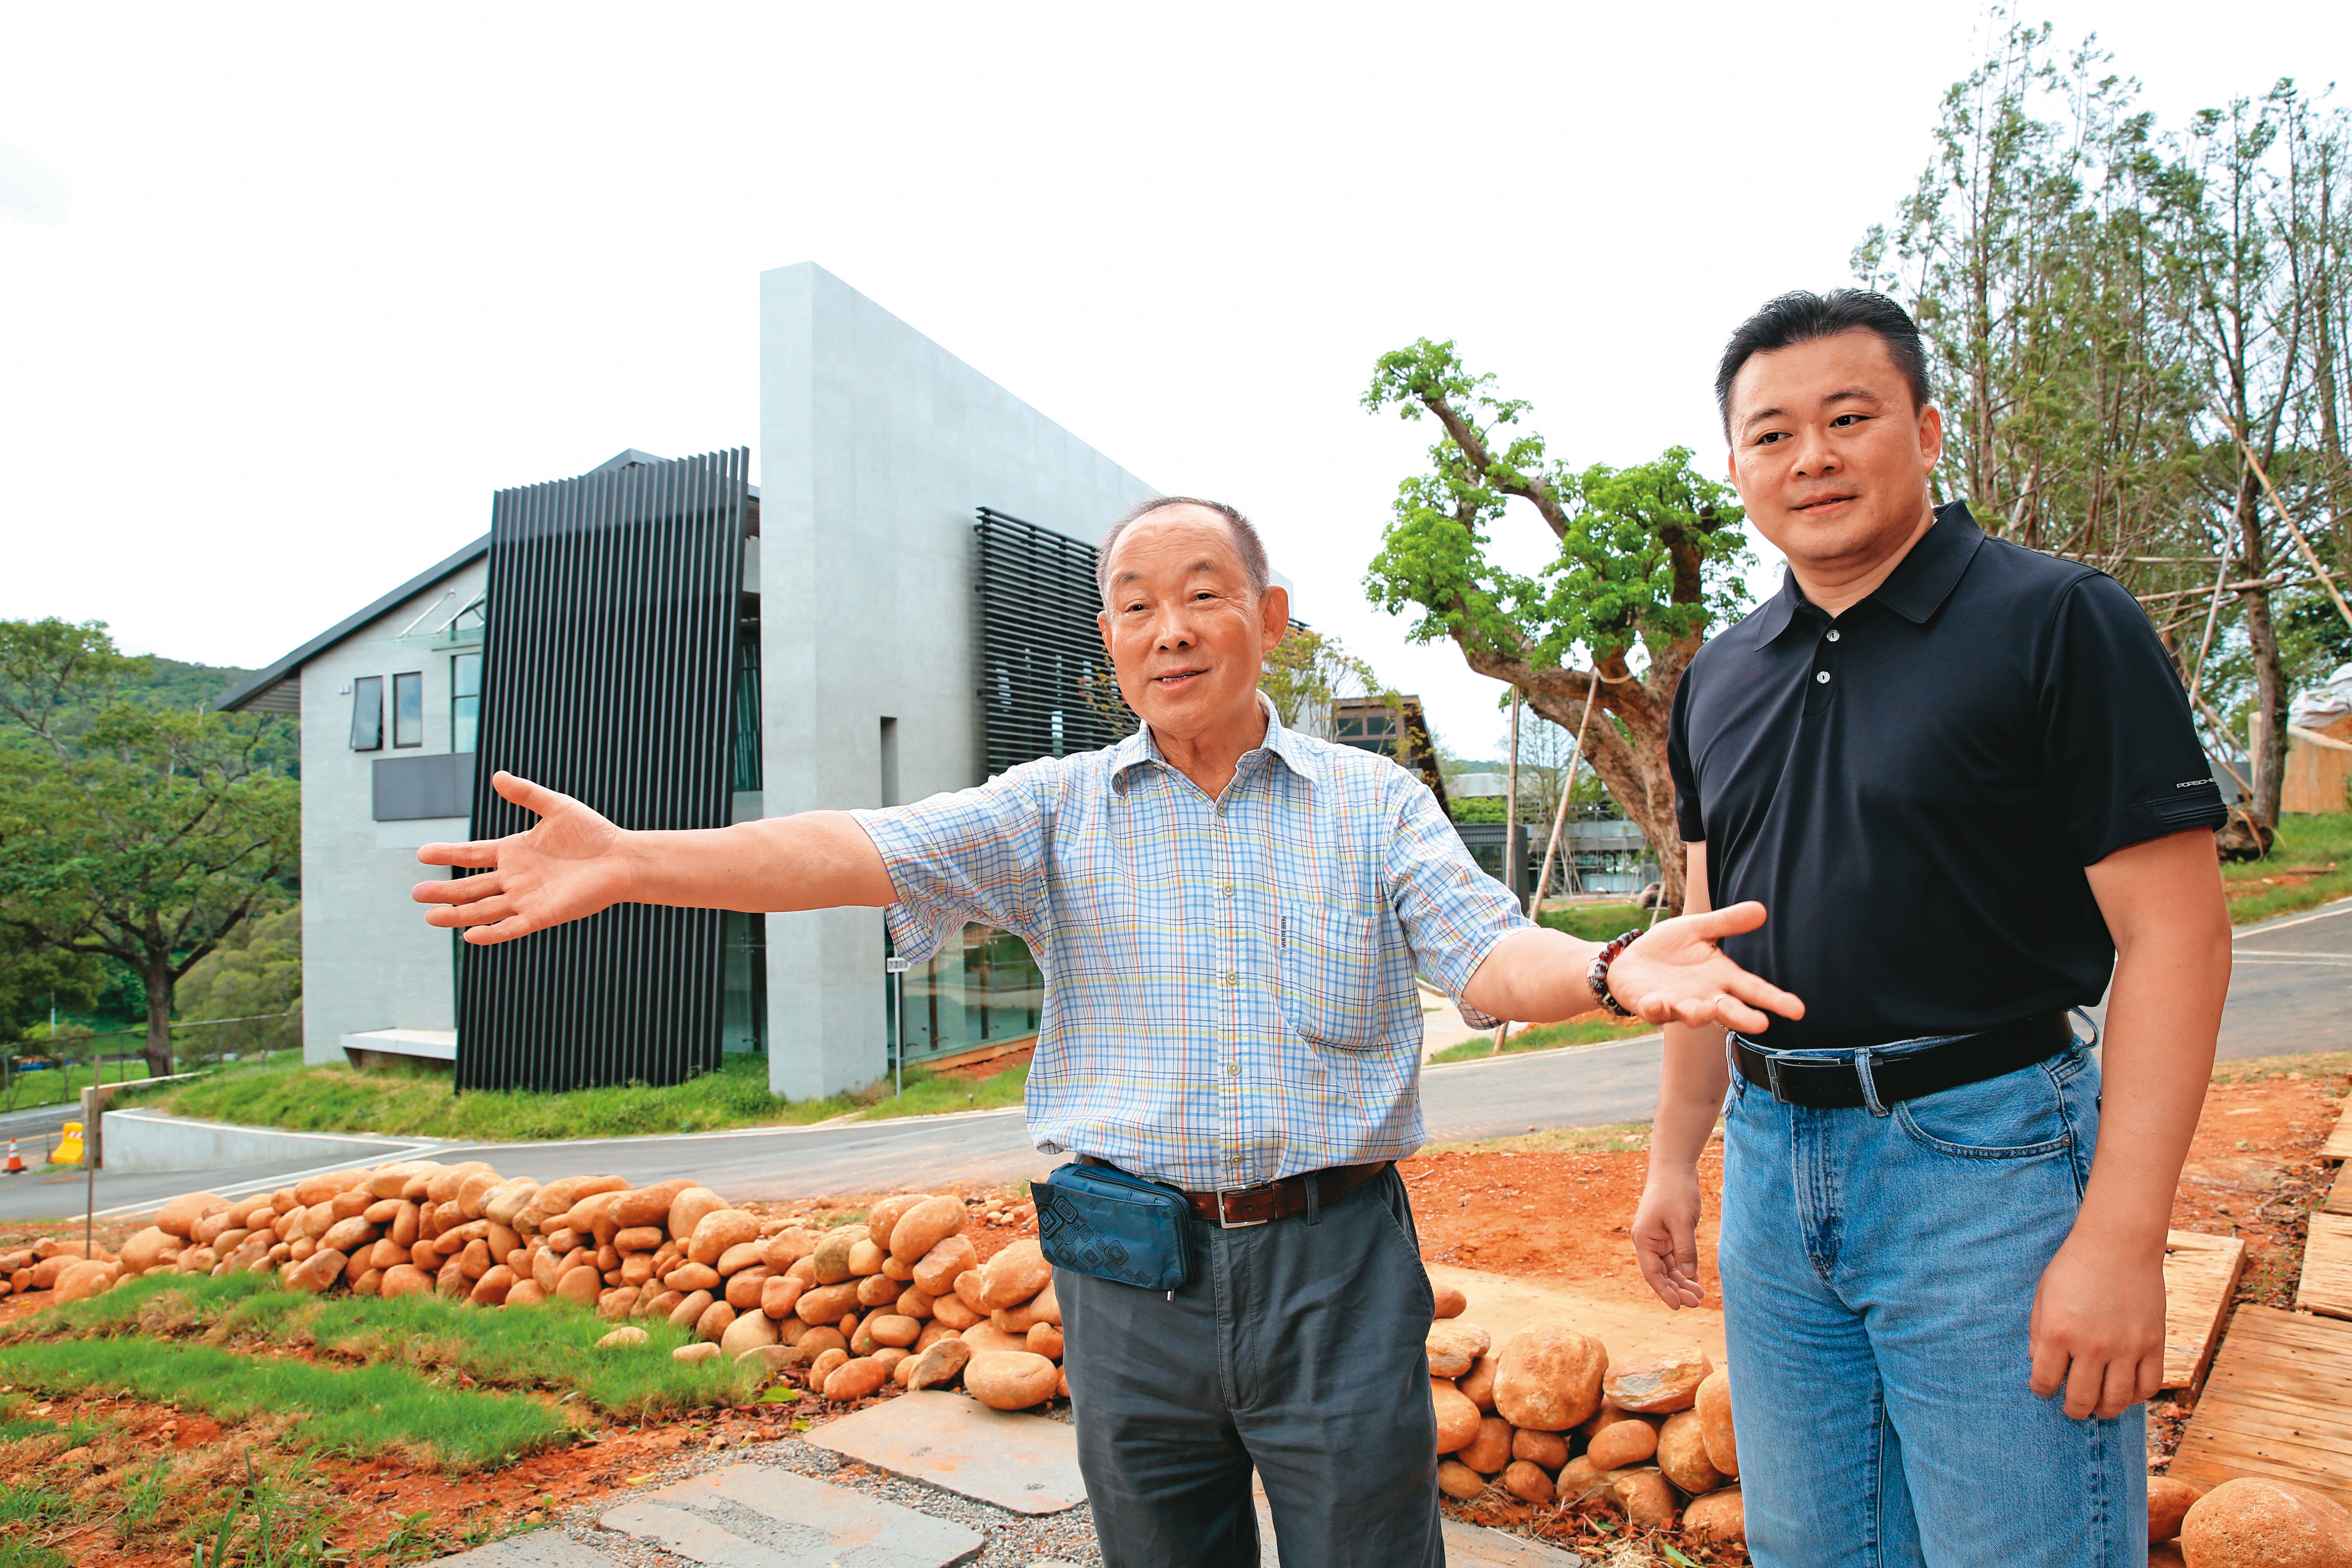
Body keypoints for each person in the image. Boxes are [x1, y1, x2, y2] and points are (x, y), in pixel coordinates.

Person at [413, 494, 1805, 1568]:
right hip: (1129, 1277)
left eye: (1204, 597)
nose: (1171, 629)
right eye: (1136, 606)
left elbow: (1490, 958)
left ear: (1271, 614)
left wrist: (1615, 969)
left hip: (1333, 1264)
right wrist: (637, 860)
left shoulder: (1372, 802)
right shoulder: (1054, 810)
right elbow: (851, 849)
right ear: (1109, 639)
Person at [1631, 290, 2232, 1567]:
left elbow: (2178, 936)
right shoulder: (1724, 674)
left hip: (1992, 1167)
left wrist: (2123, 1239)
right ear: (1736, 463)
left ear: (1928, 427)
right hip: (1775, 1173)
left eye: (1850, 417)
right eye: (1773, 433)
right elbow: (1704, 940)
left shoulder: (2057, 619)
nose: (1814, 458)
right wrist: (1676, 1157)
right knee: (1817, 1551)